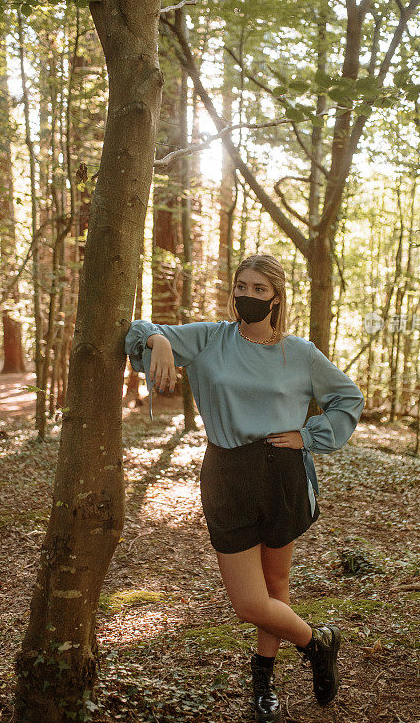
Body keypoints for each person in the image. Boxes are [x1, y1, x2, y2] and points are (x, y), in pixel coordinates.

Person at [125, 253, 364, 722]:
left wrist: (309, 436)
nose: (248, 296)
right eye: (242, 286)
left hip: (282, 473)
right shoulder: (210, 338)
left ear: (276, 297)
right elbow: (136, 330)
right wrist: (159, 339)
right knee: (248, 602)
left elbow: (347, 397)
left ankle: (264, 683)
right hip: (227, 473)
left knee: (277, 586)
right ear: (233, 290)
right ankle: (317, 643)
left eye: (259, 289)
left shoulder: (299, 353)